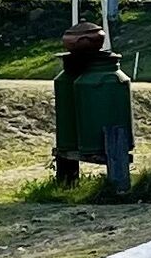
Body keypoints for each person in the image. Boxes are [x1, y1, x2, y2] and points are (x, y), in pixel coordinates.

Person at [52, 25, 134, 197]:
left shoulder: (94, 78)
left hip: (103, 72)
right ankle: (77, 153)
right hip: (78, 144)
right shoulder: (75, 78)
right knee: (70, 145)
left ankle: (111, 184)